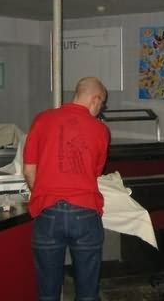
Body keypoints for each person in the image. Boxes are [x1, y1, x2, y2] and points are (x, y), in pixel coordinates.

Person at [23, 77, 110, 301]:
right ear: (95, 99)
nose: (99, 110)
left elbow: (29, 170)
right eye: (101, 104)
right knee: (87, 294)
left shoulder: (42, 120)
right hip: (85, 213)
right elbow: (95, 172)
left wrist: (45, 192)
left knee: (47, 293)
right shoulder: (100, 130)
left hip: (48, 212)